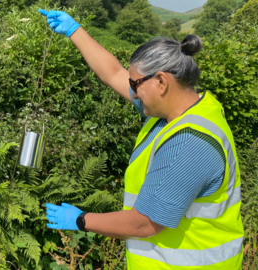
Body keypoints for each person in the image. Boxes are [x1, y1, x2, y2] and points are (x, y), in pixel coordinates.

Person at [39, 9, 244, 270]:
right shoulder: (180, 111)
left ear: (161, 81)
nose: (133, 94)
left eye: (135, 85)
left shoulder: (189, 144)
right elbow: (113, 72)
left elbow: (144, 223)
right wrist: (74, 30)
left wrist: (81, 219)